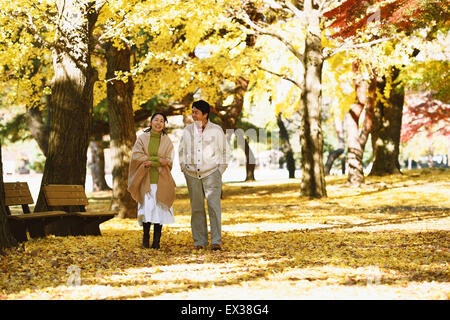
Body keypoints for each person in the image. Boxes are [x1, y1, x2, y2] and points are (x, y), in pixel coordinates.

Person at [179, 100, 229, 250]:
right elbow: (181, 151)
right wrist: (184, 168)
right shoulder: (188, 130)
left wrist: (219, 171)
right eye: (192, 111)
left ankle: (216, 241)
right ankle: (199, 241)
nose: (193, 115)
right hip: (192, 174)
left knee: (214, 207)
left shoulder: (216, 130)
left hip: (212, 173)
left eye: (196, 112)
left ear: (205, 114)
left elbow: (225, 152)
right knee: (197, 209)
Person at [128, 112, 176, 249]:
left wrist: (153, 161)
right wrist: (158, 161)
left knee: (159, 209)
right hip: (146, 179)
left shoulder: (167, 140)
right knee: (147, 209)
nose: (159, 123)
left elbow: (168, 160)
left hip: (161, 180)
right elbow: (137, 156)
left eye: (162, 121)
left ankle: (156, 242)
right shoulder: (142, 138)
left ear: (164, 124)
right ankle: (145, 239)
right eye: (156, 120)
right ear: (151, 122)